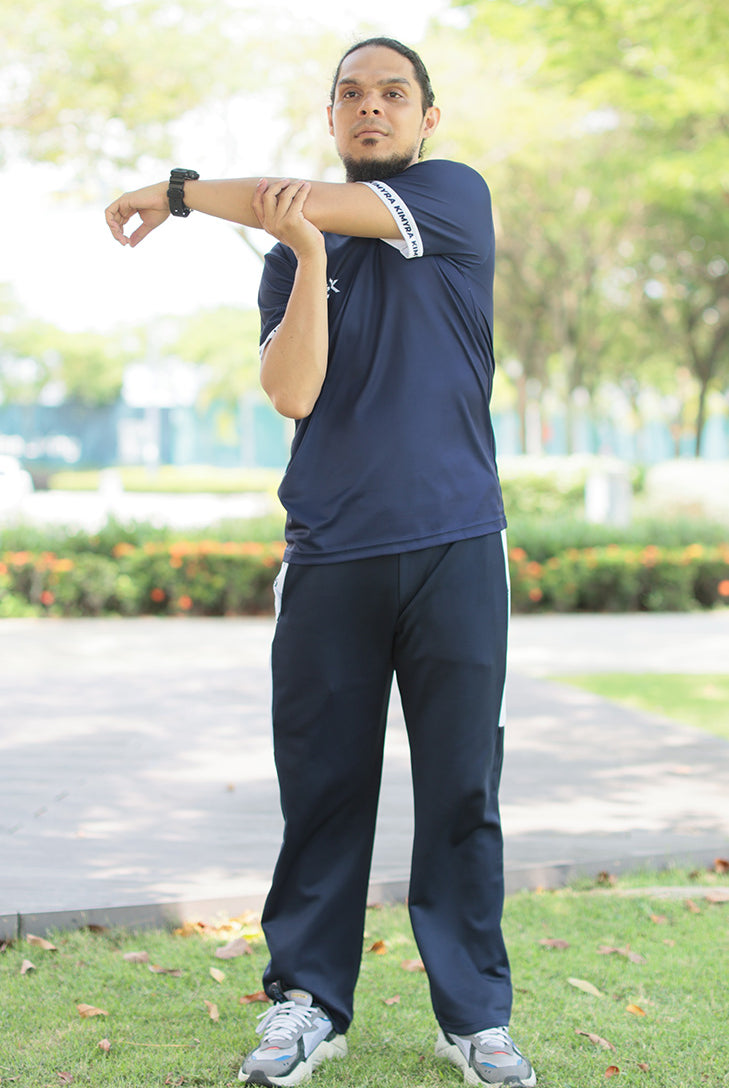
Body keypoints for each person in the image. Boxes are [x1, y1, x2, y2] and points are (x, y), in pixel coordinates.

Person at [105, 36, 536, 1088]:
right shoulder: (294, 251)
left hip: (454, 546)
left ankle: (475, 1019)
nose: (371, 107)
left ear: (427, 117)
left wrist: (175, 192)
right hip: (331, 554)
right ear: (332, 115)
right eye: (351, 94)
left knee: (461, 791)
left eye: (393, 93)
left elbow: (294, 198)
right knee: (323, 790)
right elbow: (292, 392)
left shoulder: (452, 197)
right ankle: (307, 1003)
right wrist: (302, 256)